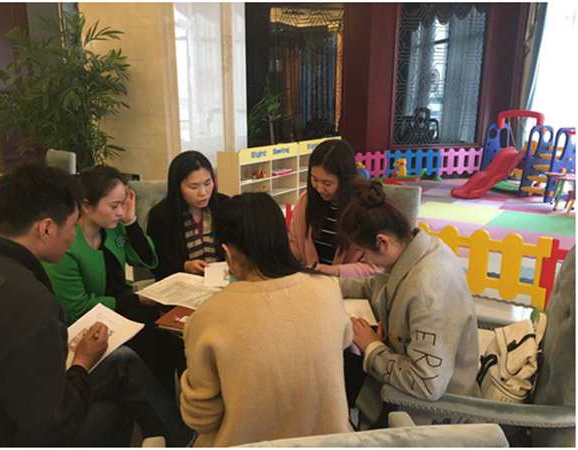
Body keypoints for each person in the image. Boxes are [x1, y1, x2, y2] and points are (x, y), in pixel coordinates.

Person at [0, 162, 194, 447]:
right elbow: (53, 419)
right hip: (13, 432)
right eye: (72, 225)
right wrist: (82, 361)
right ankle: (180, 437)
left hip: (8, 404)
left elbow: (147, 259)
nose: (73, 236)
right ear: (46, 228)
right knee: (118, 407)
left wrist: (130, 222)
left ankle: (179, 435)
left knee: (133, 353)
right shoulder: (32, 302)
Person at [180, 193, 353, 447]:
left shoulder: (207, 317)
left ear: (228, 252)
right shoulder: (327, 289)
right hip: (331, 443)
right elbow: (345, 340)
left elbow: (201, 418)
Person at [338, 179, 480, 428]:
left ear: (382, 241)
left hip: (434, 410)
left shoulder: (427, 292)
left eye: (363, 252)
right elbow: (376, 287)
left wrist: (372, 347)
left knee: (334, 378)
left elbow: (427, 384)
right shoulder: (417, 247)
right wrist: (328, 285)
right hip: (404, 367)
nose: (364, 259)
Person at [43, 165, 181, 396]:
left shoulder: (113, 230)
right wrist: (136, 300)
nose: (120, 212)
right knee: (153, 338)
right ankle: (162, 408)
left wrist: (131, 221)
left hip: (122, 310)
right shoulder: (67, 245)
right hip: (89, 323)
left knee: (167, 334)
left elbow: (146, 259)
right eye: (115, 206)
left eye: (123, 204)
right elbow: (77, 309)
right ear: (86, 205)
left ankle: (168, 404)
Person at [289, 139, 377, 278]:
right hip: (312, 283)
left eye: (327, 183)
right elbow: (296, 245)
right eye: (314, 179)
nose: (319, 188)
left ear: (345, 179)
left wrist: (335, 271)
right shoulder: (306, 202)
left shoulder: (363, 209)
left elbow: (374, 268)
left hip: (347, 286)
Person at [147, 151, 229, 281]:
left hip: (220, 280)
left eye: (207, 183)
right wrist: (185, 266)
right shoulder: (161, 215)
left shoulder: (223, 205)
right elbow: (156, 264)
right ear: (177, 187)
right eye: (194, 187)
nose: (203, 192)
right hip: (180, 283)